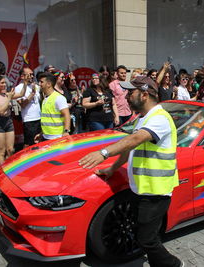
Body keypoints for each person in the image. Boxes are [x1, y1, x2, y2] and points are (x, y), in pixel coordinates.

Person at [79, 76, 183, 267]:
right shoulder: (143, 119)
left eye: (130, 92)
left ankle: (174, 264)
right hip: (141, 189)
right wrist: (112, 168)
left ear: (144, 95)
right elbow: (130, 149)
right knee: (144, 236)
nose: (126, 96)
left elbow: (135, 140)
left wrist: (104, 153)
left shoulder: (159, 118)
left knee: (147, 240)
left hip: (156, 191)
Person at [0, 75, 27, 165]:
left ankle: (9, 168)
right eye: (2, 83)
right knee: (1, 151)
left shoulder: (6, 94)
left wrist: (25, 82)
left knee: (10, 149)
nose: (4, 85)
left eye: (5, 82)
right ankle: (1, 173)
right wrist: (9, 98)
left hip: (8, 121)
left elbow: (21, 94)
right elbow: (0, 111)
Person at [35, 73, 71, 141]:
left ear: (49, 84)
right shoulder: (45, 99)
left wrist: (66, 132)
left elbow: (67, 115)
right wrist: (41, 133)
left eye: (42, 82)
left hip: (57, 137)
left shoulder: (59, 98)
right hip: (46, 137)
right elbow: (47, 119)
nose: (39, 84)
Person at [15, 67, 41, 147]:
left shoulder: (36, 86)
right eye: (29, 74)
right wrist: (32, 93)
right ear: (22, 76)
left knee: (39, 142)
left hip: (39, 118)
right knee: (29, 144)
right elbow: (22, 104)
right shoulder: (19, 88)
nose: (32, 76)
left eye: (32, 74)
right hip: (29, 120)